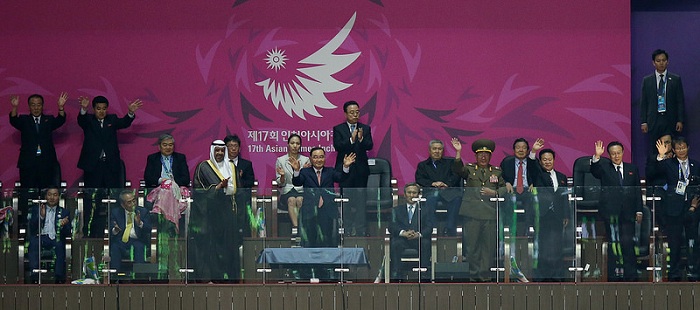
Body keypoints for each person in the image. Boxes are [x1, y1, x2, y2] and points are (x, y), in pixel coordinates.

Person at [77, 95, 143, 238]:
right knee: (91, 200)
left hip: (110, 166)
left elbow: (124, 123)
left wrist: (130, 113)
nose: (101, 111)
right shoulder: (88, 120)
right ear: (93, 109)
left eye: (104, 109)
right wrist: (83, 109)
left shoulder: (112, 120)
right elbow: (81, 120)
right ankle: (89, 231)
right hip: (93, 167)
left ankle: (117, 229)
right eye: (98, 109)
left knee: (114, 198)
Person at [451, 138, 507, 281]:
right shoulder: (470, 169)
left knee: (488, 248)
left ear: (490, 156)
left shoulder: (496, 171)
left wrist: (494, 193)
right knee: (472, 248)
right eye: (480, 154)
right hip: (472, 213)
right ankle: (473, 275)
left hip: (489, 214)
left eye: (486, 155)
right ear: (475, 156)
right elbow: (458, 170)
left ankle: (484, 276)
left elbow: (504, 188)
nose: (483, 157)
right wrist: (458, 152)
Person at [648, 136, 700, 281]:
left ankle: (693, 271)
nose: (681, 150)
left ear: (688, 147)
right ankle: (675, 273)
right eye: (678, 148)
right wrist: (661, 156)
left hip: (693, 208)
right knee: (675, 242)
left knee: (693, 242)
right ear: (674, 150)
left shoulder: (696, 165)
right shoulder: (668, 164)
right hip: (673, 209)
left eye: (683, 147)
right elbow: (653, 173)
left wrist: (695, 204)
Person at [590, 140, 643, 281]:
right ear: (609, 154)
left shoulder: (632, 168)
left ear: (623, 153)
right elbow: (594, 172)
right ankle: (612, 276)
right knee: (613, 244)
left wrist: (639, 211)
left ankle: (631, 275)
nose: (616, 156)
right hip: (610, 213)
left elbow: (637, 191)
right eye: (613, 153)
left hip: (628, 213)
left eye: (618, 153)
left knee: (628, 244)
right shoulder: (604, 167)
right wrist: (596, 157)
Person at [190, 140, 240, 282]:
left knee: (227, 246)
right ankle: (209, 279)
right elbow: (198, 190)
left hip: (226, 213)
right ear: (212, 151)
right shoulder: (203, 167)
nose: (219, 153)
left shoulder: (231, 167)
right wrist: (217, 188)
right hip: (208, 214)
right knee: (210, 248)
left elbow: (239, 190)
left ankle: (227, 279)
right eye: (216, 150)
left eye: (221, 151)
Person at [144, 134, 191, 280]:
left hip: (176, 190)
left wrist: (171, 182)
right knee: (165, 190)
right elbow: (148, 178)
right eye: (165, 144)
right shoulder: (152, 158)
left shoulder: (180, 158)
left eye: (171, 144)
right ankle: (170, 220)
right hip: (158, 190)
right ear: (159, 146)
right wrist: (161, 180)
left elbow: (186, 178)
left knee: (170, 189)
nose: (168, 147)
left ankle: (164, 215)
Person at [290, 147, 355, 247]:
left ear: (325, 158)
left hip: (327, 210)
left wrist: (345, 167)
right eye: (315, 157)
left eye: (321, 157)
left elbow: (341, 178)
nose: (318, 160)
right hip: (310, 211)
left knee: (327, 239)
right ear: (311, 159)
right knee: (310, 240)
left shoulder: (330, 171)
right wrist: (296, 171)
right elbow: (297, 182)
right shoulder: (305, 172)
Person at [9, 93, 67, 189]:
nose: (36, 107)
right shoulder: (24, 120)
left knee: (46, 190)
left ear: (42, 106)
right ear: (29, 106)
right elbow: (13, 120)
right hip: (28, 163)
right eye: (33, 105)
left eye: (39, 104)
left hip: (46, 162)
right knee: (28, 192)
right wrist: (14, 107)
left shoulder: (48, 120)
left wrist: (61, 107)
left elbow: (60, 120)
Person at [333, 101, 373, 237]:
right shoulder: (338, 129)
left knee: (361, 202)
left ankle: (361, 229)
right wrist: (351, 139)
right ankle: (348, 229)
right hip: (345, 170)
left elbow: (369, 146)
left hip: (361, 171)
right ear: (345, 114)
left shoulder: (365, 128)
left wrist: (361, 139)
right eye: (352, 112)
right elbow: (338, 146)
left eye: (357, 112)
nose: (355, 115)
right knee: (347, 202)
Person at [532, 148, 570, 281]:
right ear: (540, 161)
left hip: (558, 215)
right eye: (544, 159)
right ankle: (543, 276)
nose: (547, 162)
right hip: (542, 214)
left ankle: (557, 275)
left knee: (558, 246)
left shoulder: (562, 177)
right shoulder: (537, 174)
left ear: (554, 160)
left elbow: (565, 197)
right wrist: (533, 152)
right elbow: (532, 165)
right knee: (543, 246)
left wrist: (566, 215)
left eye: (550, 159)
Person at [415, 139, 462, 236]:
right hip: (431, 191)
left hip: (448, 191)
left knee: (457, 198)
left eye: (439, 149)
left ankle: (450, 228)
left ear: (443, 151)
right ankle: (432, 227)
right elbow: (419, 179)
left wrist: (446, 184)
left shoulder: (450, 163)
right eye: (434, 149)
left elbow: (456, 175)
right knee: (430, 199)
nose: (437, 151)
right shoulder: (423, 165)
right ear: (429, 150)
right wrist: (432, 183)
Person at [640, 49, 685, 151]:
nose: (661, 63)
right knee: (653, 149)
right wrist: (644, 122)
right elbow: (644, 103)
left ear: (667, 62)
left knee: (671, 148)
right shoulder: (647, 80)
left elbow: (680, 101)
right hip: (653, 120)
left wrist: (680, 120)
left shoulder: (675, 79)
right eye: (658, 61)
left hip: (670, 119)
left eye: (663, 60)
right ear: (653, 63)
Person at [388, 183, 434, 281]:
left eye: (414, 193)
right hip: (402, 239)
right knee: (395, 243)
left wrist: (418, 234)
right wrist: (403, 233)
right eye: (409, 192)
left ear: (418, 195)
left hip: (418, 239)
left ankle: (424, 273)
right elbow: (391, 226)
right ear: (404, 194)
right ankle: (396, 272)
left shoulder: (425, 210)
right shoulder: (396, 210)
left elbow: (429, 227)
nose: (411, 195)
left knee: (426, 243)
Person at [500, 138, 544, 236]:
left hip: (528, 190)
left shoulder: (533, 161)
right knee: (508, 200)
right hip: (511, 191)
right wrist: (506, 182)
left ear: (528, 150)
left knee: (532, 201)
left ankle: (527, 230)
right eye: (518, 148)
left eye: (524, 148)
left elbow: (539, 175)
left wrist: (534, 183)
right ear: (514, 150)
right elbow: (499, 176)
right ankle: (510, 229)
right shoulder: (507, 162)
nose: (521, 150)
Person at [27, 187, 71, 284]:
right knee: (34, 243)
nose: (52, 197)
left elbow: (68, 233)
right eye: (49, 194)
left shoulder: (64, 212)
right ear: (45, 196)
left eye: (55, 195)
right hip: (41, 237)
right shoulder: (37, 209)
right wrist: (41, 217)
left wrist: (63, 226)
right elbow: (32, 228)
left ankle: (59, 277)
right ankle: (34, 275)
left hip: (56, 238)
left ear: (58, 197)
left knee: (60, 245)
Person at [109, 190, 151, 275]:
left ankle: (140, 277)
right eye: (129, 202)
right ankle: (114, 277)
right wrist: (115, 230)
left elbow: (149, 228)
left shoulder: (143, 212)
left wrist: (140, 223)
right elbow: (111, 229)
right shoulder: (115, 212)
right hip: (121, 240)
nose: (133, 204)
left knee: (139, 247)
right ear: (122, 205)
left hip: (137, 240)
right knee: (114, 247)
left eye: (134, 200)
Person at [275, 134, 310, 231]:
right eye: (292, 143)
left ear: (300, 146)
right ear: (288, 145)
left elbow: (306, 180)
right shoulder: (280, 160)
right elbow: (280, 183)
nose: (295, 146)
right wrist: (282, 176)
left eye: (297, 143)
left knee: (299, 200)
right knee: (291, 200)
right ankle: (297, 228)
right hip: (287, 191)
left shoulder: (305, 160)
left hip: (301, 190)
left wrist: (304, 171)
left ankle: (301, 227)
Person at [224, 134, 257, 237]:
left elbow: (250, 182)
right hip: (224, 198)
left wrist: (238, 179)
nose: (233, 148)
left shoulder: (246, 164)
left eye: (236, 146)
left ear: (239, 148)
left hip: (241, 199)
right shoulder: (220, 164)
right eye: (230, 146)